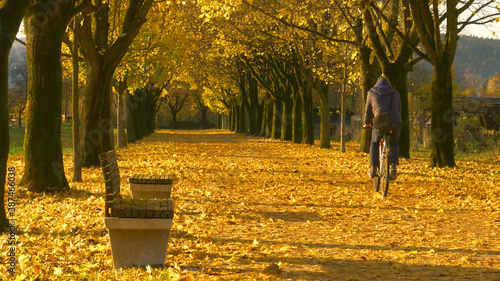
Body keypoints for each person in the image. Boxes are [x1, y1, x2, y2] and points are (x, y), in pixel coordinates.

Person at [363, 76, 402, 180]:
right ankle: (393, 166)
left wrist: (367, 123)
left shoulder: (371, 93)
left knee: (374, 143)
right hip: (395, 122)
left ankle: (373, 169)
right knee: (394, 143)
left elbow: (368, 111)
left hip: (380, 122)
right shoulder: (395, 93)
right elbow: (399, 109)